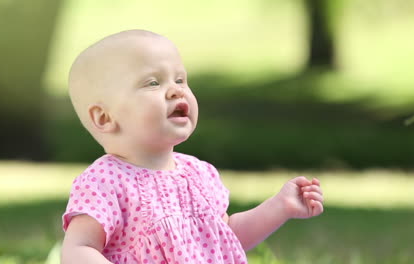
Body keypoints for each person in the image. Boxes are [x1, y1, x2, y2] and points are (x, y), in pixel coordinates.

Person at [61, 29, 324, 264]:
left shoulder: (199, 173)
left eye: (180, 80)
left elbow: (224, 237)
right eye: (153, 82)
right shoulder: (106, 182)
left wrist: (280, 206)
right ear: (105, 118)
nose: (176, 91)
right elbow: (78, 248)